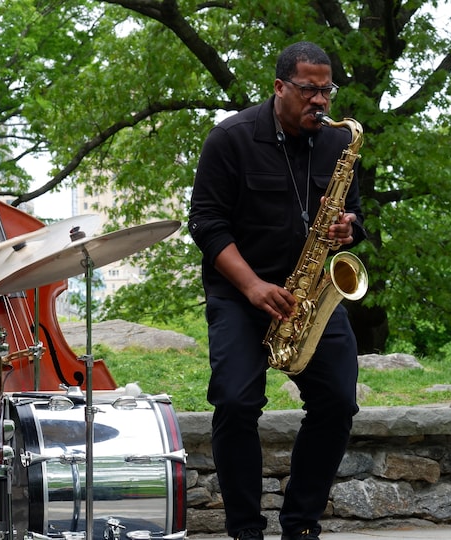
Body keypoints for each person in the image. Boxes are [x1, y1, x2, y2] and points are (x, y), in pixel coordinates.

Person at [188, 41, 366, 540]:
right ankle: (245, 528)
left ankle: (301, 525)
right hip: (242, 293)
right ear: (280, 87)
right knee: (237, 403)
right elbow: (205, 223)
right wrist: (251, 286)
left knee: (337, 403)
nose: (321, 102)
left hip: (310, 296)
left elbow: (354, 216)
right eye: (309, 90)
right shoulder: (231, 138)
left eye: (327, 91)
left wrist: (348, 229)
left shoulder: (337, 144)